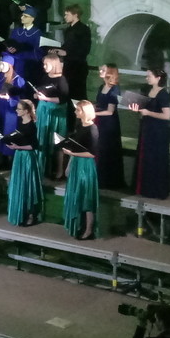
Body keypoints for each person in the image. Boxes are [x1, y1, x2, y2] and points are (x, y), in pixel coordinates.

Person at [130, 68, 170, 200]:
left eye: (149, 76)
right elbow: (144, 110)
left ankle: (156, 190)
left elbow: (166, 115)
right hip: (147, 128)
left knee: (155, 159)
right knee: (145, 158)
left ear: (158, 78)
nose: (147, 78)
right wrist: (138, 109)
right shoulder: (148, 91)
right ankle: (144, 188)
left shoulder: (163, 94)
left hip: (158, 131)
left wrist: (148, 113)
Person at [62, 100, 100, 239]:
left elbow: (92, 154)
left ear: (85, 112)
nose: (75, 112)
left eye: (78, 110)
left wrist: (72, 154)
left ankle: (89, 229)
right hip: (76, 163)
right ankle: (78, 225)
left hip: (86, 165)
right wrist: (69, 163)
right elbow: (75, 145)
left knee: (86, 197)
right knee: (76, 195)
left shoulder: (92, 129)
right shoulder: (79, 125)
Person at [6, 99, 43, 226]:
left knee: (28, 184)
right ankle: (21, 213)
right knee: (19, 183)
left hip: (27, 157)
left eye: (19, 109)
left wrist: (18, 147)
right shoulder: (20, 122)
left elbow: (34, 146)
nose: (16, 111)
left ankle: (31, 214)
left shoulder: (32, 125)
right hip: (19, 156)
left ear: (26, 111)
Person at [93, 64, 128, 189]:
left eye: (103, 70)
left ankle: (107, 181)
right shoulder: (101, 87)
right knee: (98, 149)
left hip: (109, 124)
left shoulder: (115, 89)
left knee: (107, 149)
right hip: (99, 121)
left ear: (110, 72)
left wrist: (93, 113)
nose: (100, 71)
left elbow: (110, 111)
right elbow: (99, 104)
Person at [60, 4, 92, 97]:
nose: (65, 17)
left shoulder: (84, 29)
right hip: (68, 65)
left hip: (78, 67)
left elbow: (85, 49)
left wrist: (67, 53)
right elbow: (66, 45)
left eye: (67, 14)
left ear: (75, 15)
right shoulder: (68, 30)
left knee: (78, 93)